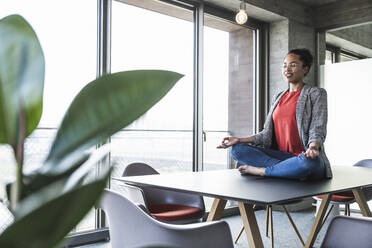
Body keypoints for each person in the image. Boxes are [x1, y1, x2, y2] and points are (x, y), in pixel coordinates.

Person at [218, 48, 332, 181]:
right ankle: (287, 171)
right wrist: (239, 139)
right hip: (281, 157)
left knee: (308, 164)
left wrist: (313, 147)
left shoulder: (316, 93)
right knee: (237, 150)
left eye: (293, 65)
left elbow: (318, 126)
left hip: (304, 158)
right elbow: (266, 134)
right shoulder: (279, 96)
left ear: (305, 68)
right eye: (284, 65)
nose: (287, 69)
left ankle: (263, 171)